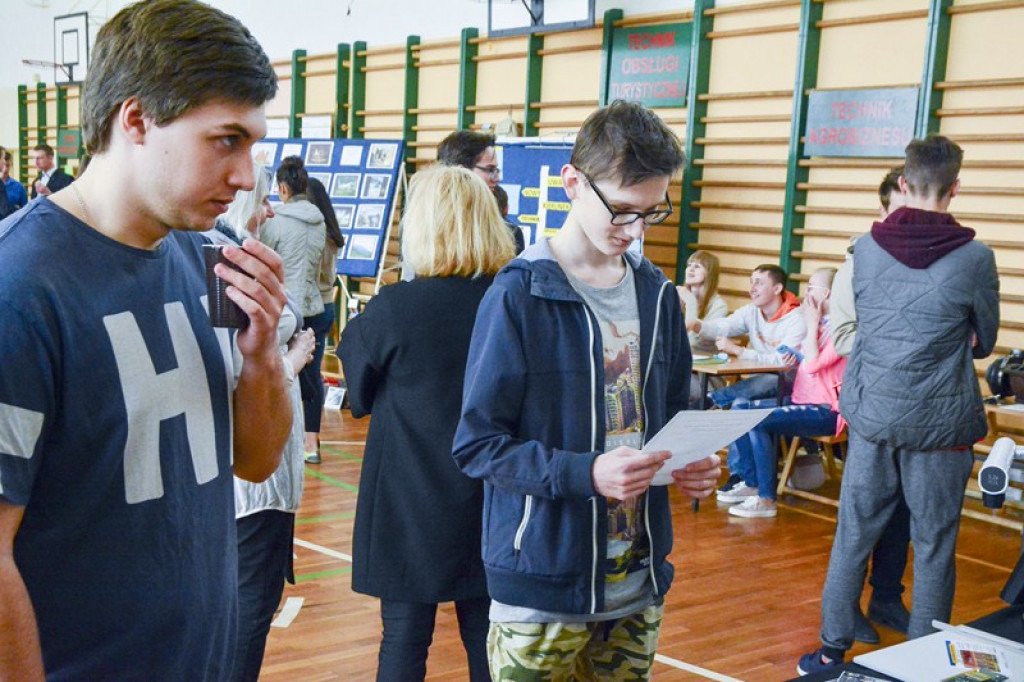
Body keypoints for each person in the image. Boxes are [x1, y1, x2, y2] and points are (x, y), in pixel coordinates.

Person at [0, 1, 290, 679]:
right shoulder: (18, 290)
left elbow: (253, 459)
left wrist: (263, 358)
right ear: (136, 120)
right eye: (226, 140)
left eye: (253, 144)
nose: (247, 175)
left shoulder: (215, 258)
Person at [452, 100, 721, 681]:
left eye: (651, 213)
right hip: (542, 587)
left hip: (637, 582)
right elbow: (477, 446)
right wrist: (587, 474)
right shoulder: (519, 294)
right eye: (621, 211)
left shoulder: (656, 295)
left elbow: (671, 416)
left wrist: (691, 461)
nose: (635, 230)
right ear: (572, 182)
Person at [798, 135, 1000, 675]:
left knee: (853, 535)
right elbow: (985, 338)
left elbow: (858, 330)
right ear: (955, 188)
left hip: (873, 418)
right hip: (941, 426)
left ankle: (830, 650)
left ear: (903, 185)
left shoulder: (863, 249)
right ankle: (924, 661)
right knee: (933, 545)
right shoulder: (977, 258)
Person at [338, 164, 516, 681]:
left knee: (404, 639)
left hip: (409, 498)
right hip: (493, 497)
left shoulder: (397, 307)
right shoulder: (511, 300)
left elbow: (359, 392)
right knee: (490, 642)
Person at [209, 164, 315, 682]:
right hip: (254, 476)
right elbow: (233, 372)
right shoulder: (226, 264)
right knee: (251, 606)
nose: (272, 209)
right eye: (264, 199)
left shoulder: (240, 253)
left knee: (253, 602)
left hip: (268, 465)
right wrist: (291, 363)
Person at [830, 166, 912, 644]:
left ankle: (887, 597)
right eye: (900, 213)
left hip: (919, 412)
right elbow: (842, 338)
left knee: (901, 516)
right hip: (873, 407)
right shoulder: (856, 262)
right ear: (881, 212)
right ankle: (847, 611)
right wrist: (908, 343)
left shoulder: (936, 264)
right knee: (861, 521)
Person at [720, 267, 845, 518]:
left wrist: (810, 327)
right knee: (740, 408)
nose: (806, 294)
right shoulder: (819, 325)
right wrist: (796, 357)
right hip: (803, 400)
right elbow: (807, 363)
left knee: (757, 420)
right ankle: (751, 482)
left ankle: (766, 498)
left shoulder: (840, 331)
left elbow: (813, 364)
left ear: (827, 294)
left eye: (811, 288)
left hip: (826, 410)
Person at [259, 157, 328, 455]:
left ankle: (282, 439)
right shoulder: (320, 219)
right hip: (316, 305)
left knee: (282, 373)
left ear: (283, 188)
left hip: (287, 310)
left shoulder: (277, 220)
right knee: (313, 377)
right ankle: (311, 442)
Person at [299, 177, 345, 463]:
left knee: (300, 374)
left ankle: (303, 440)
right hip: (327, 307)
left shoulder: (311, 232)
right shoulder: (331, 232)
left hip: (309, 307)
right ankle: (312, 442)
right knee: (313, 373)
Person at [437, 130, 525, 252]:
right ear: (462, 172)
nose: (496, 178)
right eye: (489, 169)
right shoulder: (426, 227)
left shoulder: (509, 234)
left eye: (496, 170)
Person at [676, 249, 728, 404]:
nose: (690, 269)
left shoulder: (719, 306)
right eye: (689, 265)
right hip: (681, 370)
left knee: (667, 385)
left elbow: (693, 341)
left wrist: (691, 302)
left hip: (705, 380)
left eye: (697, 266)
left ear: (709, 273)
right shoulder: (677, 297)